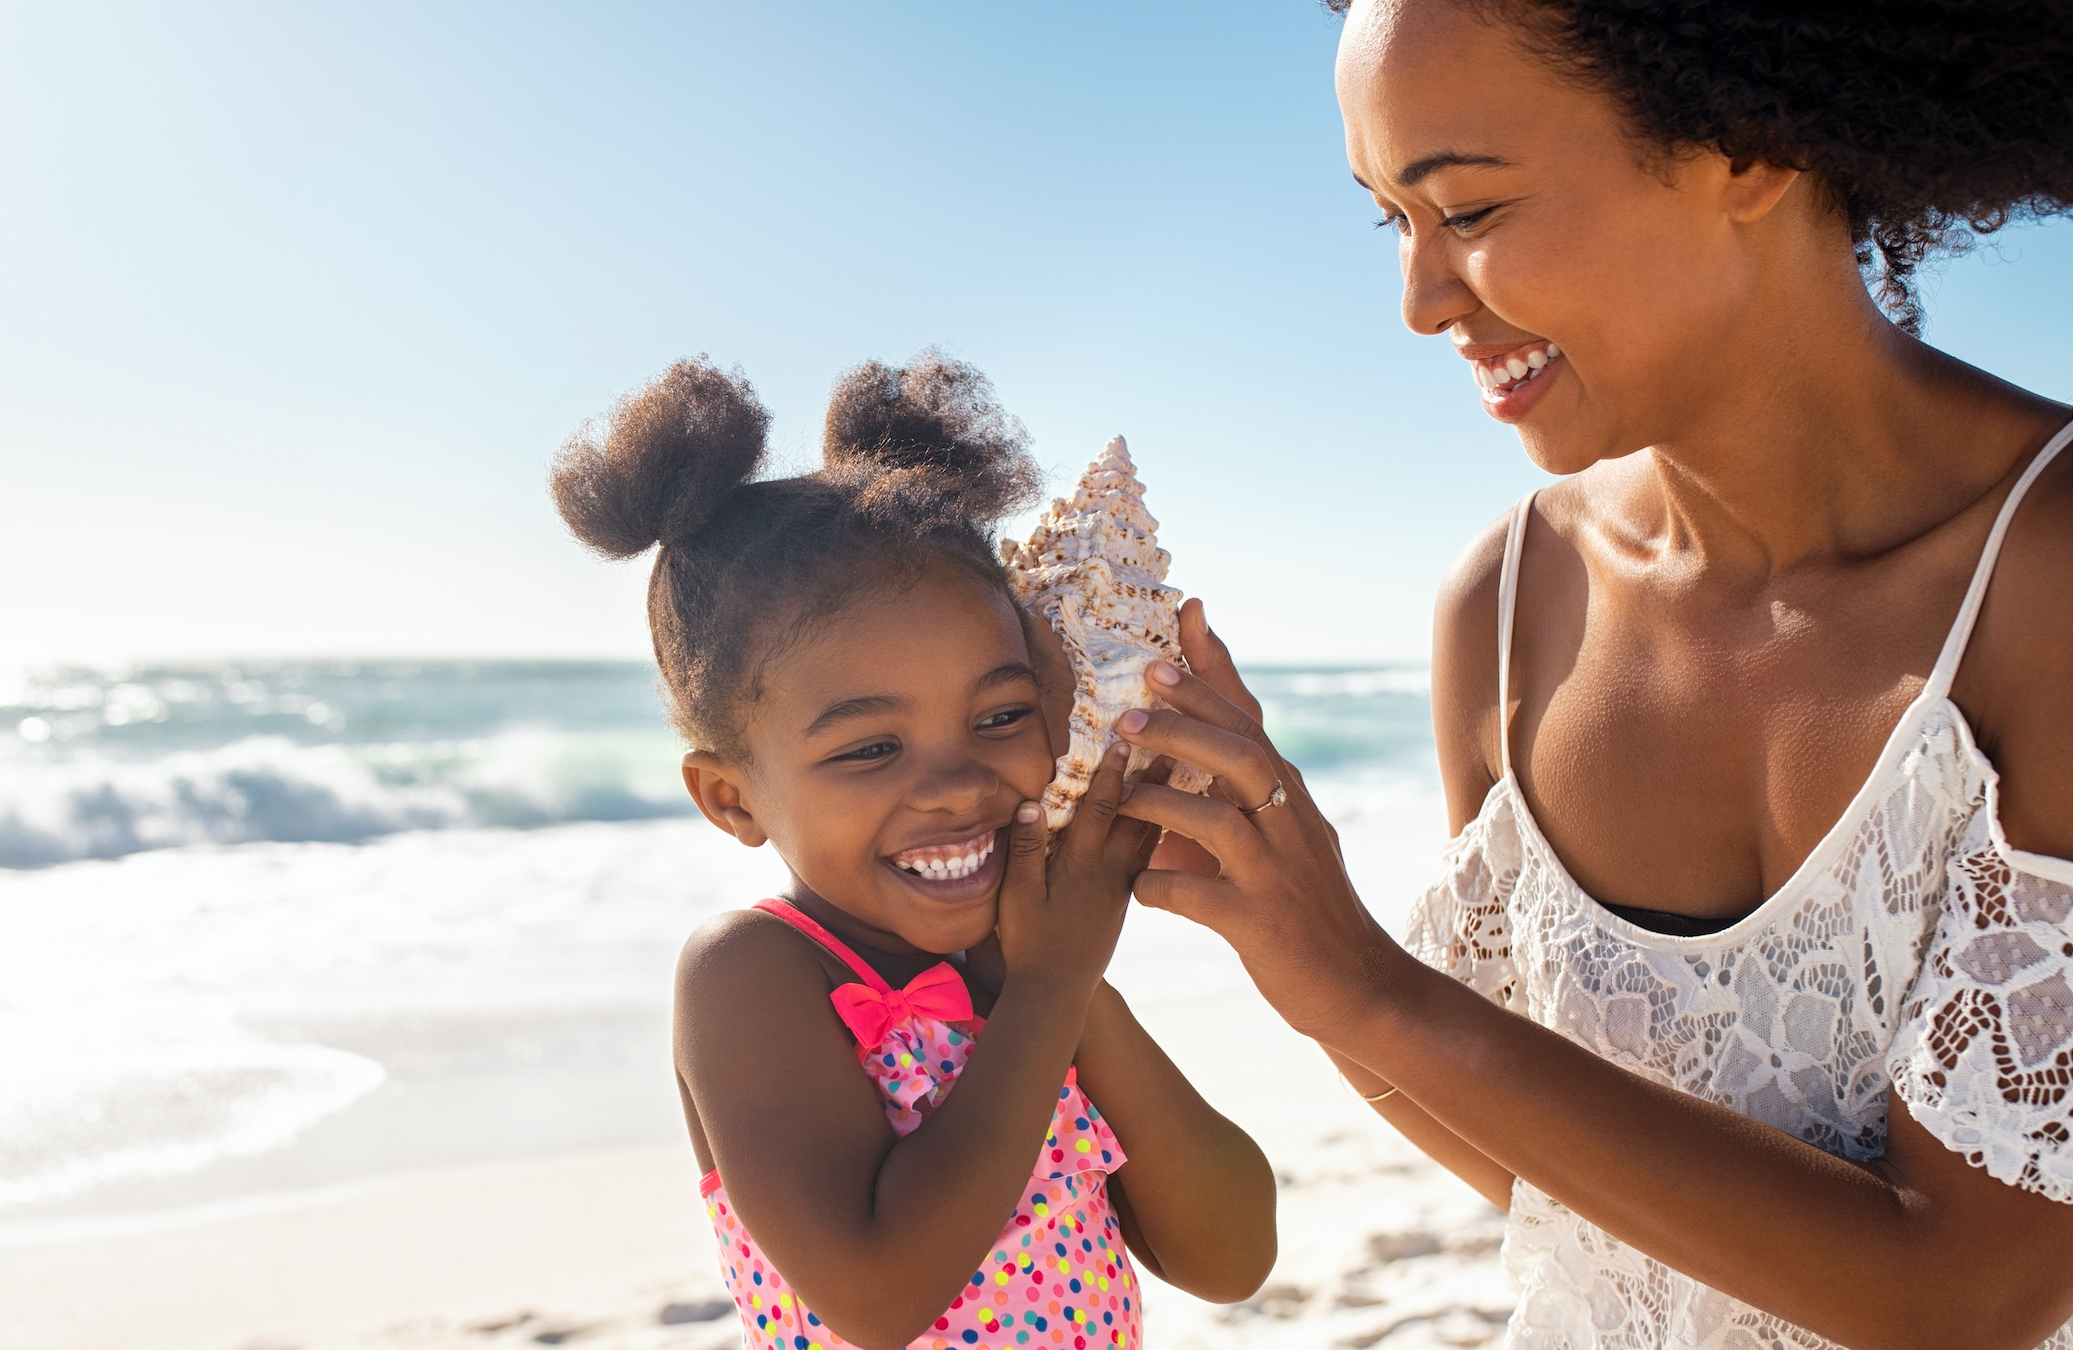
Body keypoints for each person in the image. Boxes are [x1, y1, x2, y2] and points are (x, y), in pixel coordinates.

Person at [1106, 2, 2073, 1347]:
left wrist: (1374, 990)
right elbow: (1539, 1178)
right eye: (1394, 220)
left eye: (1473, 210)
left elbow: (1974, 1292)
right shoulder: (1504, 611)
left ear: (1747, 146)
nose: (1420, 300)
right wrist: (1290, 940)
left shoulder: (2047, 583)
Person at [549, 353, 1275, 1350]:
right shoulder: (752, 973)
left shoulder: (1032, 977)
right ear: (731, 797)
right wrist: (1051, 987)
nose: (955, 783)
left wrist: (1074, 998)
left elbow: (1231, 1259)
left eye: (1003, 714)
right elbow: (880, 1294)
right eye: (871, 748)